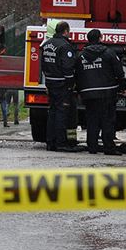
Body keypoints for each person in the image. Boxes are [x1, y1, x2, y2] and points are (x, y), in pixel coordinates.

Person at [75, 28, 126, 155]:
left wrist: (79, 90)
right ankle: (109, 147)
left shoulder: (81, 56)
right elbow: (119, 72)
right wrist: (122, 87)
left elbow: (77, 74)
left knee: (92, 120)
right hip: (107, 93)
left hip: (88, 94)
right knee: (107, 120)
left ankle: (92, 147)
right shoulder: (109, 53)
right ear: (100, 38)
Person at [41, 21, 77, 152]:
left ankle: (50, 142)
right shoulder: (65, 46)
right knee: (62, 113)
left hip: (50, 82)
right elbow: (68, 67)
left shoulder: (46, 44)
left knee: (53, 113)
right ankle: (61, 143)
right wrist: (71, 83)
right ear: (66, 31)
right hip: (61, 84)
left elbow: (43, 65)